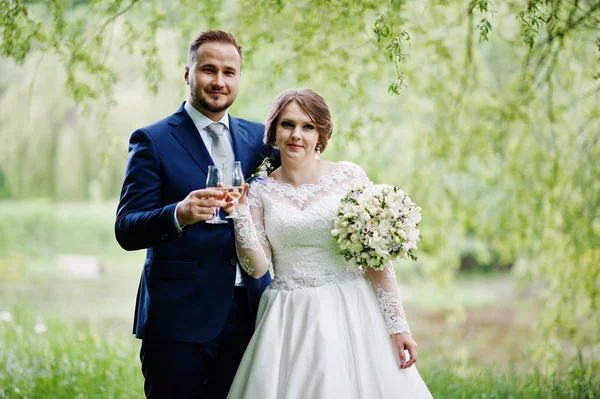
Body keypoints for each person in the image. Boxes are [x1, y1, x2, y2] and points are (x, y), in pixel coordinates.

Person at [226, 88, 433, 398]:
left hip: (351, 309)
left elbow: (375, 260)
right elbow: (257, 269)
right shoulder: (259, 190)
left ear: (321, 133)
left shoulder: (349, 177)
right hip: (289, 317)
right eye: (288, 124)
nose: (297, 135)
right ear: (273, 130)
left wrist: (398, 326)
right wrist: (239, 214)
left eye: (308, 126)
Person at [114, 30, 275, 398]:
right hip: (178, 323)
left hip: (252, 314)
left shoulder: (260, 140)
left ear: (238, 77)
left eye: (229, 72)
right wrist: (179, 214)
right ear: (188, 74)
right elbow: (125, 229)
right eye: (208, 70)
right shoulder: (152, 140)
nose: (219, 81)